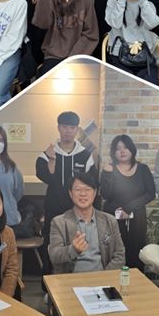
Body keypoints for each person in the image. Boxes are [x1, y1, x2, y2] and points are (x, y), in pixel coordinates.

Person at [49, 172, 137, 316]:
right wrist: (73, 249)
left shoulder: (109, 220)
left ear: (95, 192)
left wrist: (101, 279)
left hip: (104, 282)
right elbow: (54, 255)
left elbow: (120, 255)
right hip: (71, 285)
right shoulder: (59, 222)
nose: (83, 194)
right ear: (70, 193)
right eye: (78, 189)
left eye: (87, 189)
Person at [36, 111, 96, 283]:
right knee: (51, 245)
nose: (68, 131)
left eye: (72, 127)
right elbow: (46, 177)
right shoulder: (46, 154)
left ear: (77, 129)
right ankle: (48, 284)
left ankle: (76, 282)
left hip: (77, 210)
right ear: (58, 128)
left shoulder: (85, 155)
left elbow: (92, 183)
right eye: (64, 127)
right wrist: (52, 159)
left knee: (77, 244)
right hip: (53, 208)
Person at [32, 0, 98, 76]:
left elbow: (90, 34)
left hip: (78, 54)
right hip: (54, 54)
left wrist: (73, 57)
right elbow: (42, 23)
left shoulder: (85, 0)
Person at [100, 134, 155, 269]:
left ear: (132, 149)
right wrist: (107, 174)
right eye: (118, 149)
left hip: (137, 219)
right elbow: (106, 195)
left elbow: (150, 194)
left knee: (135, 252)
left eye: (125, 147)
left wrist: (128, 207)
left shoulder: (142, 169)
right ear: (113, 152)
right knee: (114, 253)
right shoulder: (109, 169)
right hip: (113, 219)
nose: (122, 151)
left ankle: (136, 280)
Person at [105, 0, 159, 84]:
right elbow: (115, 23)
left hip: (143, 54)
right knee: (124, 83)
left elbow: (152, 24)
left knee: (150, 83)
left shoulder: (148, 4)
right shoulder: (113, 2)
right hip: (119, 52)